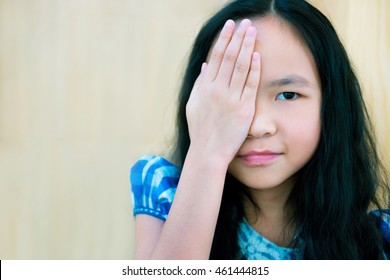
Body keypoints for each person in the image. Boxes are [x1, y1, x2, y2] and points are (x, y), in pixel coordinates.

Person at [130, 0, 390, 259]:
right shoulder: (163, 186)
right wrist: (208, 152)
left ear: (331, 104)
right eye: (233, 94)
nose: (256, 127)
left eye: (288, 95)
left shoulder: (380, 239)